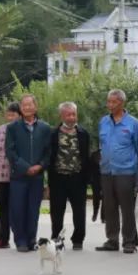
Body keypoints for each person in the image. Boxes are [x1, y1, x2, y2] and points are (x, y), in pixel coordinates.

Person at [96, 89, 138, 254]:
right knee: (109, 207)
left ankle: (129, 242)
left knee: (127, 207)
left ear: (122, 103)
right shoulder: (103, 121)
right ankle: (112, 240)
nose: (110, 105)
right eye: (108, 101)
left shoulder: (133, 123)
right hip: (106, 170)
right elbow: (102, 145)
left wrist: (133, 167)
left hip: (126, 171)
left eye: (114, 102)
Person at [5, 94, 52, 252]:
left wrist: (40, 166)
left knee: (33, 210)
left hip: (37, 176)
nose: (27, 108)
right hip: (19, 176)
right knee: (17, 209)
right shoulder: (12, 128)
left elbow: (49, 152)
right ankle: (20, 241)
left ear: (35, 107)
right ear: (21, 108)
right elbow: (10, 152)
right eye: (23, 105)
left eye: (29, 105)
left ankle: (32, 239)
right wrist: (26, 167)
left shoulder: (45, 128)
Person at [48, 102, 92, 250]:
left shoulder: (83, 133)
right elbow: (49, 156)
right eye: (68, 114)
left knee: (79, 211)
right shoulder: (53, 133)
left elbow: (86, 156)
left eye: (74, 114)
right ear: (62, 115)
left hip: (77, 178)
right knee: (57, 211)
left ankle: (78, 239)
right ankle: (57, 238)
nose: (72, 117)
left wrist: (88, 178)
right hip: (58, 178)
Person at [0, 102, 21, 249]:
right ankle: (3, 238)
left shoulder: (23, 129)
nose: (10, 117)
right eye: (8, 114)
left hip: (17, 173)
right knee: (3, 208)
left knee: (18, 208)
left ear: (19, 115)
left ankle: (21, 239)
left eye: (13, 114)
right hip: (2, 173)